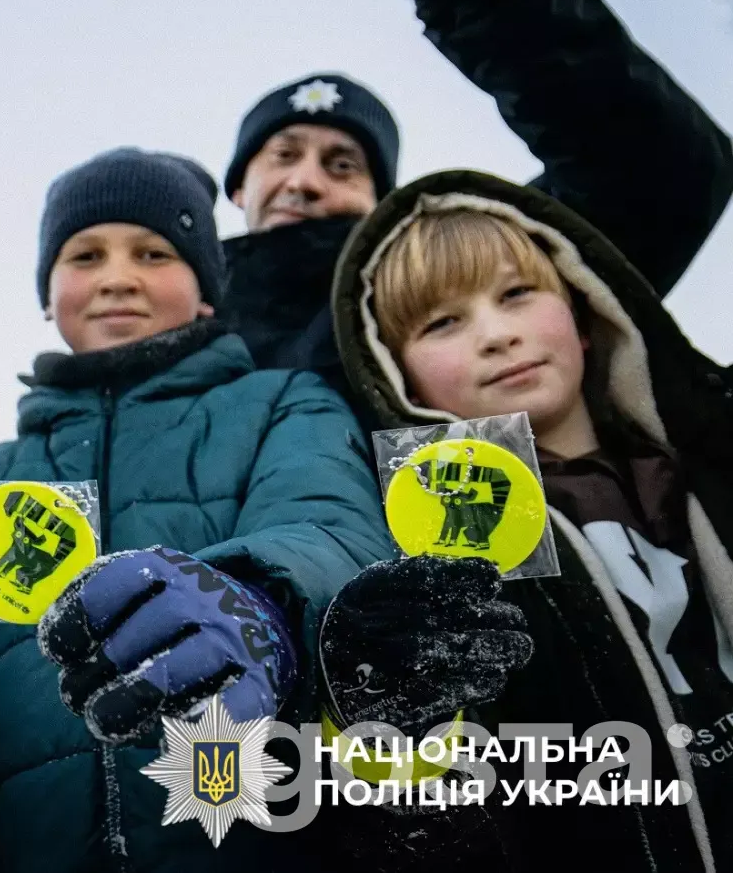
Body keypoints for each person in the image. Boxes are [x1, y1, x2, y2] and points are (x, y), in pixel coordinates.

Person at [0, 149, 393, 873]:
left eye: (153, 252)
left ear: (207, 290)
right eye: (85, 254)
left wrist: (257, 604)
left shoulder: (282, 404)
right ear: (47, 293)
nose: (118, 277)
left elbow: (335, 528)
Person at [313, 168, 733, 872]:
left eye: (516, 294)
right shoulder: (415, 564)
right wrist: (379, 712)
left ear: (585, 314)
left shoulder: (714, 447)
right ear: (396, 375)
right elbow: (416, 830)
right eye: (443, 322)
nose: (497, 334)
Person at [217, 0, 732, 402]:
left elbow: (657, 172)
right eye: (283, 155)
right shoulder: (167, 324)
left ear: (380, 198)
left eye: (343, 164)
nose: (305, 181)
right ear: (237, 187)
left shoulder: (461, 278)